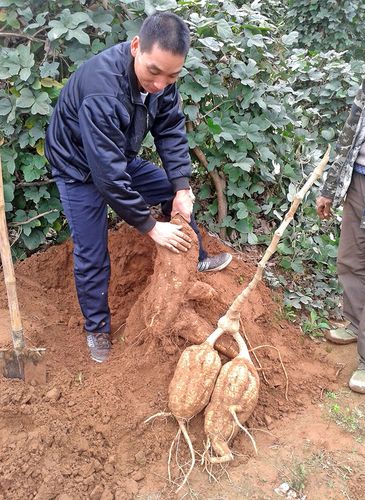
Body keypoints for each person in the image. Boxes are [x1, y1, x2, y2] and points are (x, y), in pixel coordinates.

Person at [45, 12, 232, 363]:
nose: (161, 84)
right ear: (135, 48)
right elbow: (107, 177)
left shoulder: (163, 77)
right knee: (91, 249)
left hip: (116, 154)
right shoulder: (102, 89)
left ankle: (198, 259)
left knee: (166, 189)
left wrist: (180, 186)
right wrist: (149, 227)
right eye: (154, 72)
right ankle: (97, 329)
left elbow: (171, 128)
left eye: (172, 75)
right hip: (77, 168)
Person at [316, 63, 365, 394]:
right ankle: (355, 322)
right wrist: (331, 186)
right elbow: (351, 131)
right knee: (350, 261)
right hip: (361, 180)